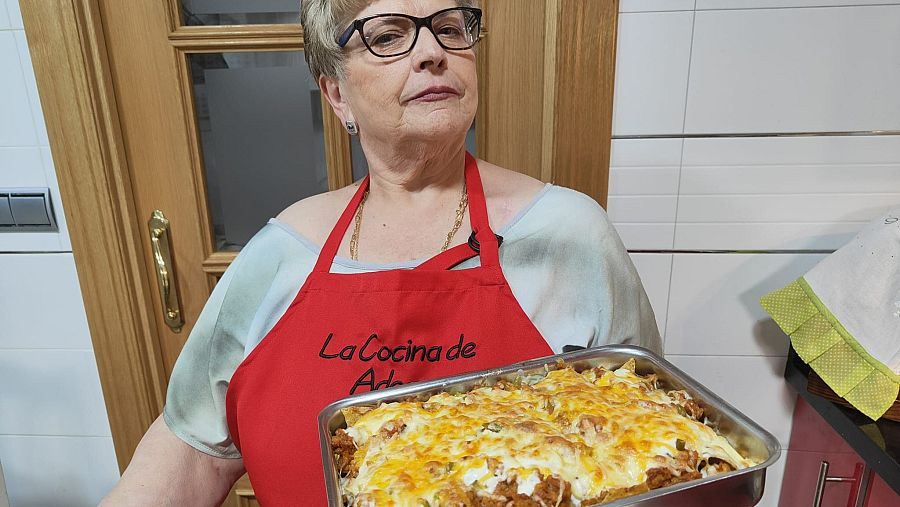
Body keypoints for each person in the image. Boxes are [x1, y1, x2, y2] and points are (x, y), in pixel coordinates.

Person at [101, 0, 661, 504]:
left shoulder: (570, 235)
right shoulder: (282, 252)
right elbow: (190, 453)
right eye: (388, 35)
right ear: (337, 93)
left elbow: (650, 443)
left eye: (449, 28)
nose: (432, 52)